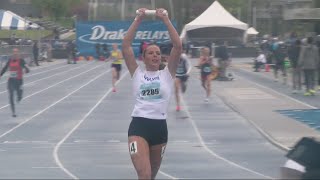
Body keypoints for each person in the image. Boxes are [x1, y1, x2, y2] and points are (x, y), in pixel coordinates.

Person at [122, 8, 182, 179]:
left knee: (151, 176)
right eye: (151, 53)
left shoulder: (167, 75)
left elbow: (178, 46)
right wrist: (138, 19)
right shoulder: (137, 74)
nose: (155, 55)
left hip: (160, 129)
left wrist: (165, 19)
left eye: (157, 53)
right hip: (139, 127)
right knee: (145, 174)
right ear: (144, 57)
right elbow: (125, 46)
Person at [0, 48, 30, 117]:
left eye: (16, 52)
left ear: (18, 53)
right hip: (11, 80)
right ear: (12, 53)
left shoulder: (21, 60)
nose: (15, 53)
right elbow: (5, 68)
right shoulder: (10, 60)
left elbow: (27, 68)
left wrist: (26, 70)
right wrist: (0, 75)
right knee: (11, 95)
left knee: (19, 96)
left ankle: (19, 97)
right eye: (14, 52)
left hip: (19, 81)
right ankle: (13, 112)